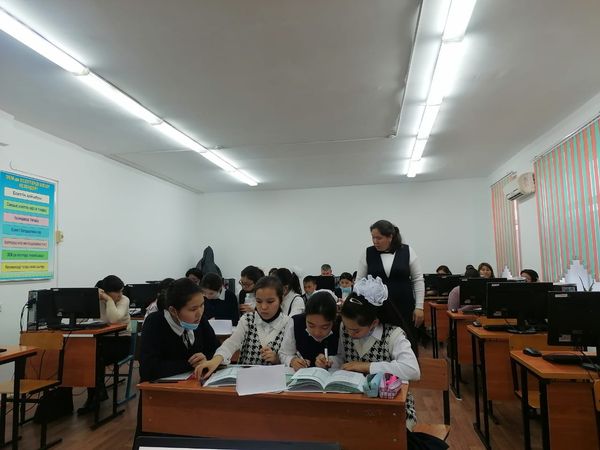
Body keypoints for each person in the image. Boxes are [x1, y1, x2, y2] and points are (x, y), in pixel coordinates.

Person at [328, 276, 420, 430]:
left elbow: (412, 370)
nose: (350, 333)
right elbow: (343, 358)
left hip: (392, 407)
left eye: (356, 330)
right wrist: (330, 361)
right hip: (355, 402)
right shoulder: (346, 329)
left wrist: (367, 366)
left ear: (374, 323)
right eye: (346, 327)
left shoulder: (393, 335)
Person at [194, 276, 290, 379]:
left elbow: (291, 356)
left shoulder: (288, 323)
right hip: (246, 379)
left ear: (281, 300)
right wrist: (216, 360)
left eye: (270, 301)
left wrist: (276, 359)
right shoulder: (248, 320)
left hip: (275, 379)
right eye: (258, 301)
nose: (263, 307)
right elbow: (231, 343)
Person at [356, 219, 424, 349]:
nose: (375, 241)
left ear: (390, 237)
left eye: (379, 238)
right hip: (377, 310)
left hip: (404, 307)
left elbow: (418, 279)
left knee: (407, 340)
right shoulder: (368, 253)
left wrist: (419, 307)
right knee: (379, 343)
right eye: (373, 237)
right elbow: (359, 282)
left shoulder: (407, 251)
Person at [139, 278, 219, 382]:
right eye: (193, 309)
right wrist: (190, 364)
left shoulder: (200, 320)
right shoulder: (154, 322)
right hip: (162, 388)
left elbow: (217, 350)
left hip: (195, 383)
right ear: (173, 311)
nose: (199, 313)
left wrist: (206, 359)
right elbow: (148, 369)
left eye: (202, 305)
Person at [78, 275, 131, 415]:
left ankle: (96, 396)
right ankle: (95, 394)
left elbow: (114, 319)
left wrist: (109, 300)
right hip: (102, 340)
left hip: (121, 341)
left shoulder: (124, 300)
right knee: (88, 356)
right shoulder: (97, 300)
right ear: (105, 291)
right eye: (117, 292)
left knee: (96, 357)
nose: (120, 294)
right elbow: (80, 318)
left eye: (121, 291)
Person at [279, 290, 340, 370]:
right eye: (311, 326)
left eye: (324, 327)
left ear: (334, 320)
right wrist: (292, 361)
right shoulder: (296, 322)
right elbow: (284, 353)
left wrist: (331, 361)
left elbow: (343, 357)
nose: (317, 333)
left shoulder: (340, 327)